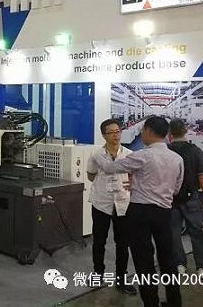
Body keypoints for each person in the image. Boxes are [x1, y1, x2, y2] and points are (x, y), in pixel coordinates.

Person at [92, 116, 183, 307]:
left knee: (144, 260)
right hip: (164, 213)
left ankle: (151, 303)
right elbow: (176, 189)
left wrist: (97, 157)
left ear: (148, 132)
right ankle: (175, 301)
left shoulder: (141, 156)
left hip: (140, 213)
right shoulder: (177, 159)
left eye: (143, 131)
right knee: (168, 259)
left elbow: (110, 168)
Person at [86, 119, 136, 295]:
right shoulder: (96, 155)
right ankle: (98, 273)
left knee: (122, 243)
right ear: (104, 135)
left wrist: (130, 184)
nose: (116, 135)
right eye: (111, 132)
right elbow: (91, 175)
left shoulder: (129, 154)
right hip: (102, 202)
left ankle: (121, 279)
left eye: (118, 131)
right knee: (99, 241)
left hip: (123, 203)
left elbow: (133, 175)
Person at [168, 119, 203, 277]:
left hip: (170, 199)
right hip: (191, 198)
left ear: (170, 134)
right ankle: (202, 267)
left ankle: (179, 265)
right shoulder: (195, 151)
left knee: (174, 233)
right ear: (186, 131)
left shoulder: (167, 151)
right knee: (196, 232)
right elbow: (202, 177)